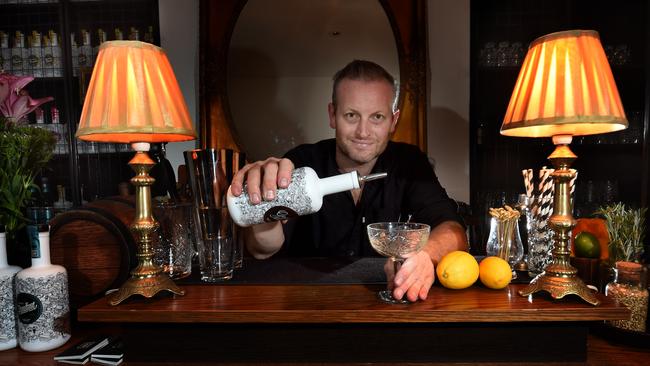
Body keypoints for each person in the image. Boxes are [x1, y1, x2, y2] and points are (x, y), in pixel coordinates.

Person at [230, 60, 467, 302]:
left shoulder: (409, 163)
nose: (363, 132)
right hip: (306, 305)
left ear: (393, 122)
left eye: (377, 117)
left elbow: (454, 231)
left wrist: (424, 256)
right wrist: (263, 206)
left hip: (387, 309)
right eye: (351, 115)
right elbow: (262, 250)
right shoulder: (301, 162)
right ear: (333, 115)